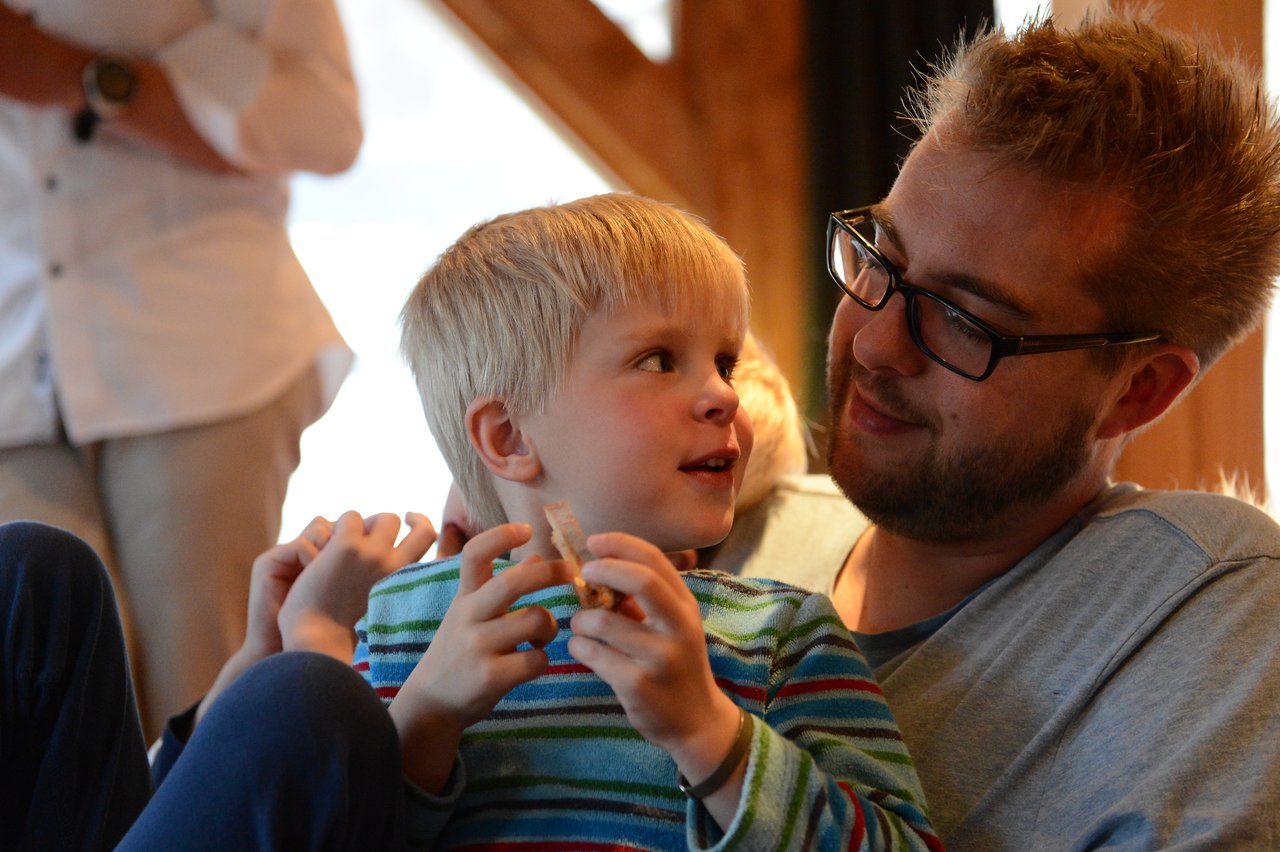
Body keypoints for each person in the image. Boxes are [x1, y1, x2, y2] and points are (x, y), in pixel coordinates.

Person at [780, 9, 1280, 848]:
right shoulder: (722, 530)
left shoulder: (1205, 611)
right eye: (881, 261)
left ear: (1137, 392)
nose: (873, 344)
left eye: (963, 320)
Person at [359, 192, 939, 848]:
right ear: (509, 437)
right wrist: (424, 721)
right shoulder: (395, 629)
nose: (724, 395)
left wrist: (708, 733)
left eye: (724, 364)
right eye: (659, 359)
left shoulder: (782, 638)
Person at [0, 1, 360, 735]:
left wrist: (84, 75)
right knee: (41, 707)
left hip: (199, 351)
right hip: (10, 372)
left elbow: (327, 127)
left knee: (200, 696)